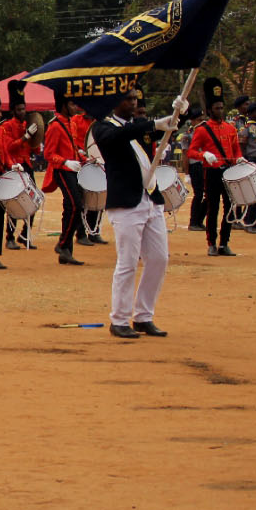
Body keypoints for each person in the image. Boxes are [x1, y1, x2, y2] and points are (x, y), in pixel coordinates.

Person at [92, 84, 171, 342]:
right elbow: (121, 136)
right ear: (114, 103)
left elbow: (160, 132)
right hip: (126, 203)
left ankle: (144, 315)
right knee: (127, 263)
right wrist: (155, 123)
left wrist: (179, 115)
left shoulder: (139, 127)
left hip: (150, 198)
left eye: (135, 99)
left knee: (159, 259)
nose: (134, 103)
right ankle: (119, 319)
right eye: (128, 100)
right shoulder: (102, 128)